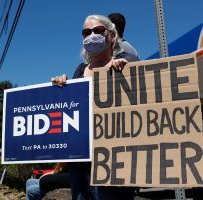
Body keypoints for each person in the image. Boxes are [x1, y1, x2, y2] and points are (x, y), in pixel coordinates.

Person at [52, 14, 139, 200]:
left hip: (114, 161)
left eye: (98, 31)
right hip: (81, 163)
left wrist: (126, 71)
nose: (92, 35)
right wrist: (62, 86)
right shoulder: (78, 71)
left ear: (112, 36)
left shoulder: (125, 64)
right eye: (86, 32)